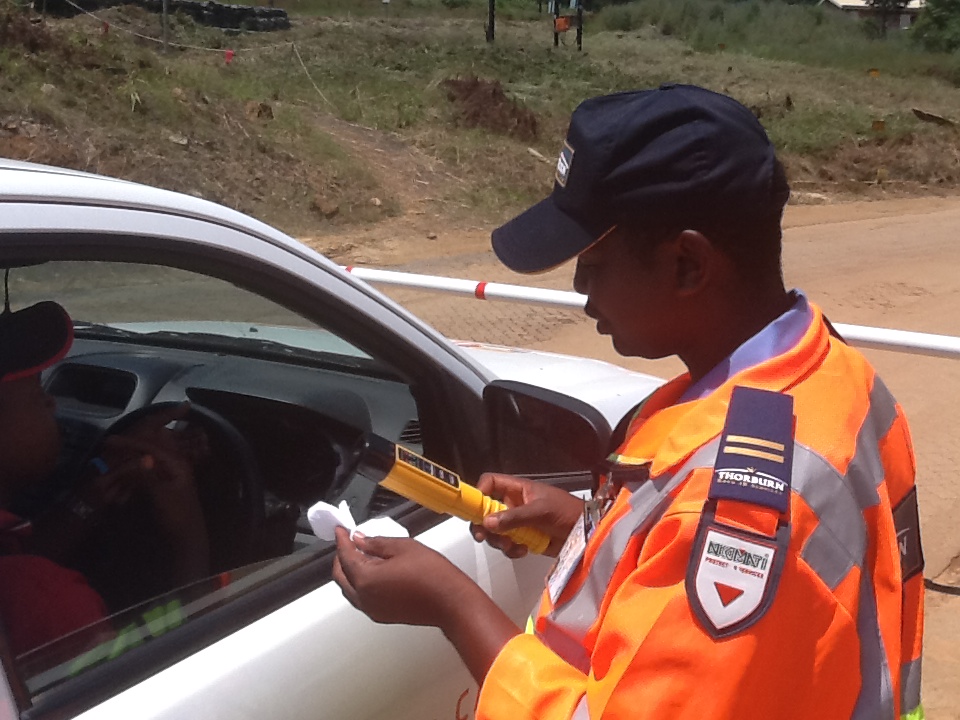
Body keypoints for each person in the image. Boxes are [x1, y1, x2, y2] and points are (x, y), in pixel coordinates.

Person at [333, 84, 925, 719]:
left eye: (593, 263)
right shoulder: (828, 374)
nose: (582, 294)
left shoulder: (742, 512)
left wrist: (452, 604)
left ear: (688, 265)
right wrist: (583, 528)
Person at [0, 300, 209, 656]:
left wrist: (87, 500)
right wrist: (190, 532)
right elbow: (153, 683)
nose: (52, 403)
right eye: (36, 392)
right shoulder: (46, 604)